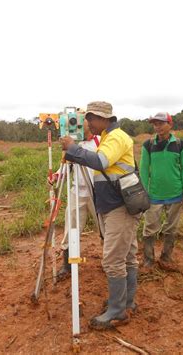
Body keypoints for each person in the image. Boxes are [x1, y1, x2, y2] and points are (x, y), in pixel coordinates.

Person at [60, 101, 140, 330]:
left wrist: (74, 148)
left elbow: (100, 161)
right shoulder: (108, 136)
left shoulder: (115, 137)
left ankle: (117, 311)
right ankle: (126, 302)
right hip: (116, 204)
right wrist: (73, 153)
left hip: (120, 207)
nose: (87, 124)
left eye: (90, 120)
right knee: (127, 256)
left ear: (101, 118)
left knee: (114, 260)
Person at [139, 112, 183, 270]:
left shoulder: (180, 145)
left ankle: (166, 258)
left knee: (171, 229)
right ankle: (148, 260)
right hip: (154, 196)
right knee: (149, 229)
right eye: (155, 124)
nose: (158, 127)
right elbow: (143, 170)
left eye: (161, 123)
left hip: (175, 195)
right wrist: (143, 192)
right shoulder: (148, 145)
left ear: (170, 125)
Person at [51, 119, 99, 280]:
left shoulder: (100, 141)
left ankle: (111, 262)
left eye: (81, 119)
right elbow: (65, 167)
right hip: (76, 191)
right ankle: (67, 265)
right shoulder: (72, 144)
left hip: (97, 192)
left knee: (105, 229)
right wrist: (56, 175)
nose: (76, 122)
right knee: (70, 228)